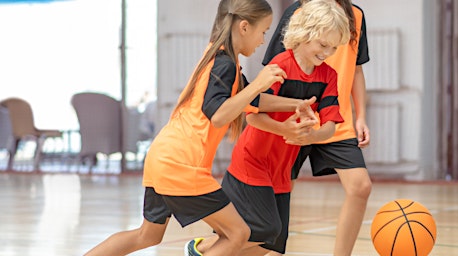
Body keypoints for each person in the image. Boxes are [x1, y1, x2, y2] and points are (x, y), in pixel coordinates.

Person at [84, 0, 318, 255]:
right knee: (238, 233)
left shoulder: (222, 59)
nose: (263, 40)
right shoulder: (224, 64)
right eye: (263, 31)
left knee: (147, 235)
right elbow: (217, 115)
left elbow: (253, 101)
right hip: (181, 165)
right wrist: (259, 84)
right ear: (243, 27)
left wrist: (297, 105)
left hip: (163, 158)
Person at [185, 0, 350, 255]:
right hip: (253, 161)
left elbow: (330, 126)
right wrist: (286, 130)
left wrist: (312, 135)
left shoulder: (328, 76)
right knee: (265, 229)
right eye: (322, 45)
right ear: (304, 34)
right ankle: (202, 248)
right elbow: (252, 116)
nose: (327, 53)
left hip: (282, 168)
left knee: (272, 242)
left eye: (333, 48)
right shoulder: (279, 67)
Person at [262, 0, 372, 256]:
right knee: (280, 195)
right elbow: (276, 67)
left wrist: (361, 116)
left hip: (335, 121)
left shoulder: (356, 15)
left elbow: (356, 69)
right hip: (294, 120)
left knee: (360, 187)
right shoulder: (298, 11)